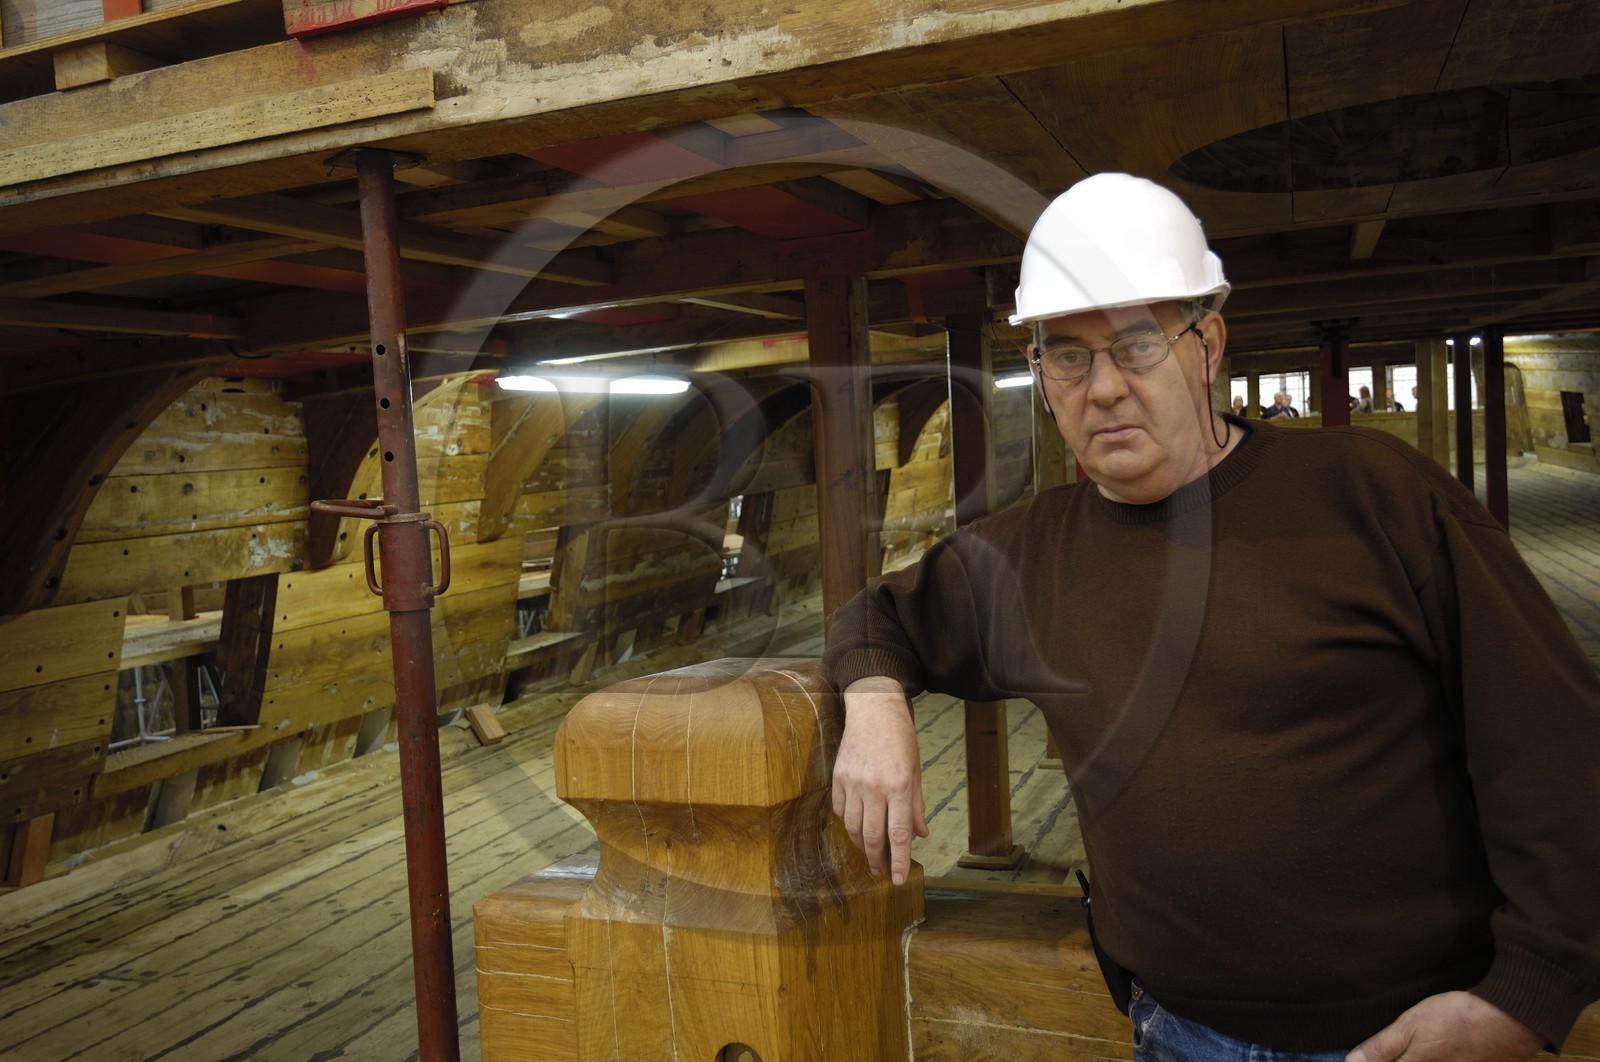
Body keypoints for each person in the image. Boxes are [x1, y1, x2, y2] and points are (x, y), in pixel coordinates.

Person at [823, 172, 1600, 1061]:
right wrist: (874, 702)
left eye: (1137, 344)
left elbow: (1551, 741)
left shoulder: (1376, 495)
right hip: (1177, 1032)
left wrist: (1529, 992)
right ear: (1039, 375)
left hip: (1409, 1034)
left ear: (1209, 345)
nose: (1103, 387)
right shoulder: (1025, 556)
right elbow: (875, 616)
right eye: (1068, 356)